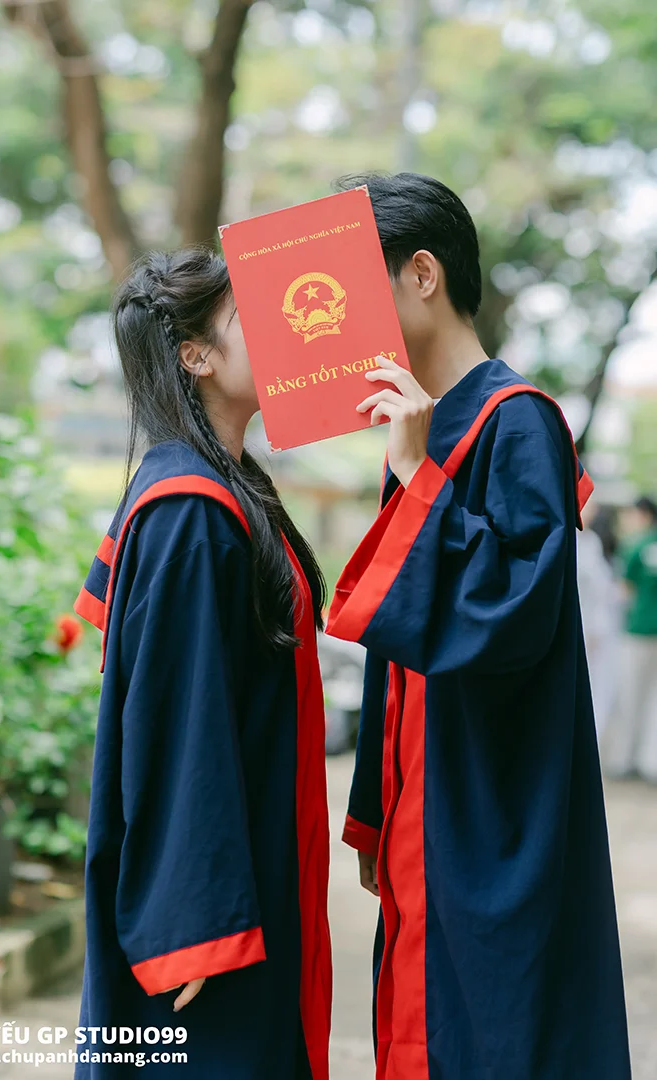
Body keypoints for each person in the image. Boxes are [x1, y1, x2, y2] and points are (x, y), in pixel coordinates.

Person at [325, 173, 631, 1080]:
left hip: (493, 795)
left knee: (495, 1028)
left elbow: (514, 615)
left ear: (422, 274)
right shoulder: (422, 422)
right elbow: (399, 642)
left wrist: (418, 478)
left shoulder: (518, 420)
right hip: (427, 790)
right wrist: (377, 805)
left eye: (358, 286)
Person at [73, 249, 331, 1078]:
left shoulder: (224, 483)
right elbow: (179, 724)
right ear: (196, 355)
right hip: (215, 914)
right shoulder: (190, 508)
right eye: (248, 316)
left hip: (255, 846)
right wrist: (193, 923)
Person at [601, 495, 657, 781]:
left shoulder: (635, 546)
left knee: (630, 696)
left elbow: (623, 590)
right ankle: (650, 760)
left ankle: (625, 758)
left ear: (643, 515)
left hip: (637, 630)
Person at [576, 499, 622, 739]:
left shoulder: (591, 541)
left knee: (599, 683)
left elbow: (601, 588)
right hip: (581, 623)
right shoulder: (569, 539)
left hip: (598, 625)